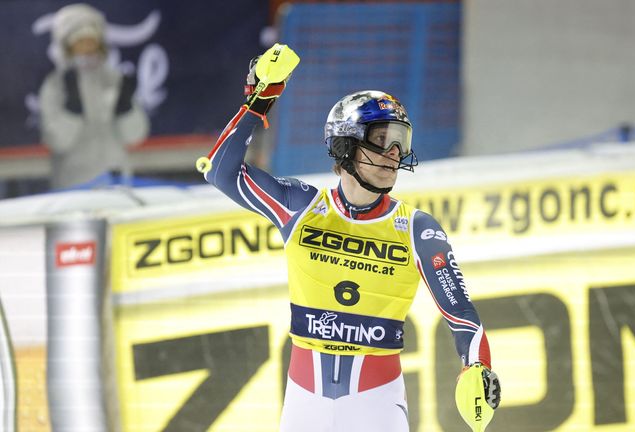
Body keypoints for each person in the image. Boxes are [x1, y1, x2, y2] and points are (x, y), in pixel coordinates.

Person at [204, 51, 501, 432]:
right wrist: (259, 101)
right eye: (382, 140)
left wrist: (477, 366)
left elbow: (461, 314)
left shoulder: (417, 228)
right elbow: (220, 172)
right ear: (346, 146)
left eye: (400, 143)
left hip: (376, 405)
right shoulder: (300, 207)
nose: (394, 155)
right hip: (303, 402)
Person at [39, 3, 149, 189]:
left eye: (91, 42)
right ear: (67, 48)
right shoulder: (55, 86)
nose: (87, 49)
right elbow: (58, 142)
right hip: (73, 188)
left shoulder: (114, 80)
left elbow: (135, 137)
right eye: (79, 43)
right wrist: (71, 111)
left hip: (118, 184)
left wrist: (126, 108)